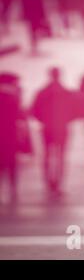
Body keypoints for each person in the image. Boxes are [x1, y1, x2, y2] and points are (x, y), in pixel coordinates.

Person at [31, 68, 76, 197]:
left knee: (47, 155)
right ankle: (58, 183)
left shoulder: (42, 93)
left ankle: (49, 182)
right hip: (61, 128)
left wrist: (44, 120)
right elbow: (74, 110)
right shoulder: (67, 92)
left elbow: (34, 111)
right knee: (61, 156)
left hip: (48, 128)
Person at [0, 73, 22, 203]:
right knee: (12, 163)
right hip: (10, 135)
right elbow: (19, 117)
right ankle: (13, 188)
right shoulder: (13, 98)